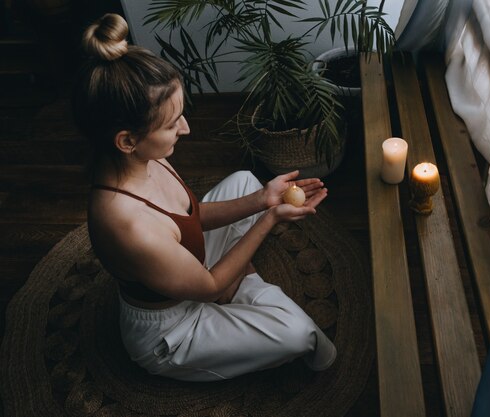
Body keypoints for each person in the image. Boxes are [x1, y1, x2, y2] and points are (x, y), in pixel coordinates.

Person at [72, 13, 336, 382]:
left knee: (246, 181)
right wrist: (270, 218)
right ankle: (240, 289)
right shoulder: (129, 225)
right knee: (299, 333)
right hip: (172, 327)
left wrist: (262, 199)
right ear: (127, 140)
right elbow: (210, 289)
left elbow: (191, 215)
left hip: (187, 270)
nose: (186, 128)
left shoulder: (149, 157)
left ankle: (239, 283)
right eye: (172, 123)